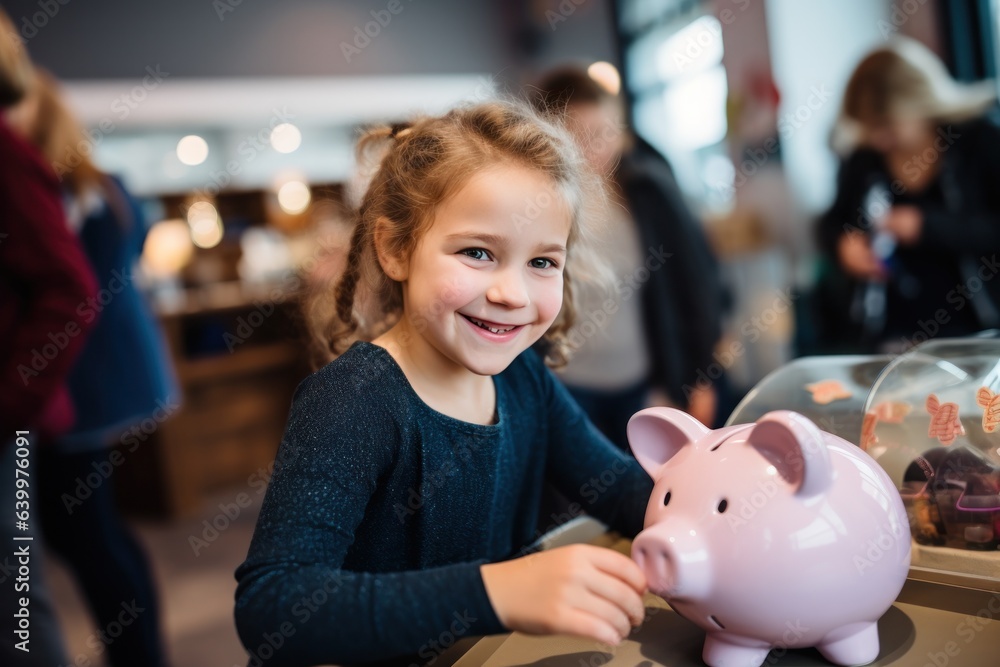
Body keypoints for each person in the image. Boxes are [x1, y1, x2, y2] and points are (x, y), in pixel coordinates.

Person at [234, 100, 655, 666]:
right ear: (395, 249)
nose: (512, 293)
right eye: (477, 253)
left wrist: (724, 498)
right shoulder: (356, 401)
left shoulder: (525, 378)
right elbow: (275, 606)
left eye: (542, 262)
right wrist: (499, 590)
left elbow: (620, 490)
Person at [7, 68, 175, 667]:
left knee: (85, 537)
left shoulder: (61, 192)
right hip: (102, 379)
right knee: (98, 534)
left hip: (78, 385)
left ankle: (138, 655)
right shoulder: (107, 189)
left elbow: (67, 295)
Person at [530, 68, 727, 441]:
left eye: (607, 132)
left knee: (646, 487)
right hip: (567, 388)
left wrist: (698, 375)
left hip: (641, 383)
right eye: (582, 135)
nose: (598, 147)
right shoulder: (536, 207)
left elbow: (693, 284)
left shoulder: (647, 192)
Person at [0, 10, 97, 665]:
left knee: (19, 601)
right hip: (42, 409)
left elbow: (74, 291)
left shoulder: (18, 162)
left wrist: (8, 402)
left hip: (20, 420)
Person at [816, 37, 1000, 353]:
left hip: (980, 335)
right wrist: (844, 248)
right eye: (870, 129)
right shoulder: (863, 160)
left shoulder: (979, 140)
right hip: (893, 340)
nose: (879, 139)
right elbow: (831, 224)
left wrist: (927, 227)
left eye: (886, 126)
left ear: (920, 102)